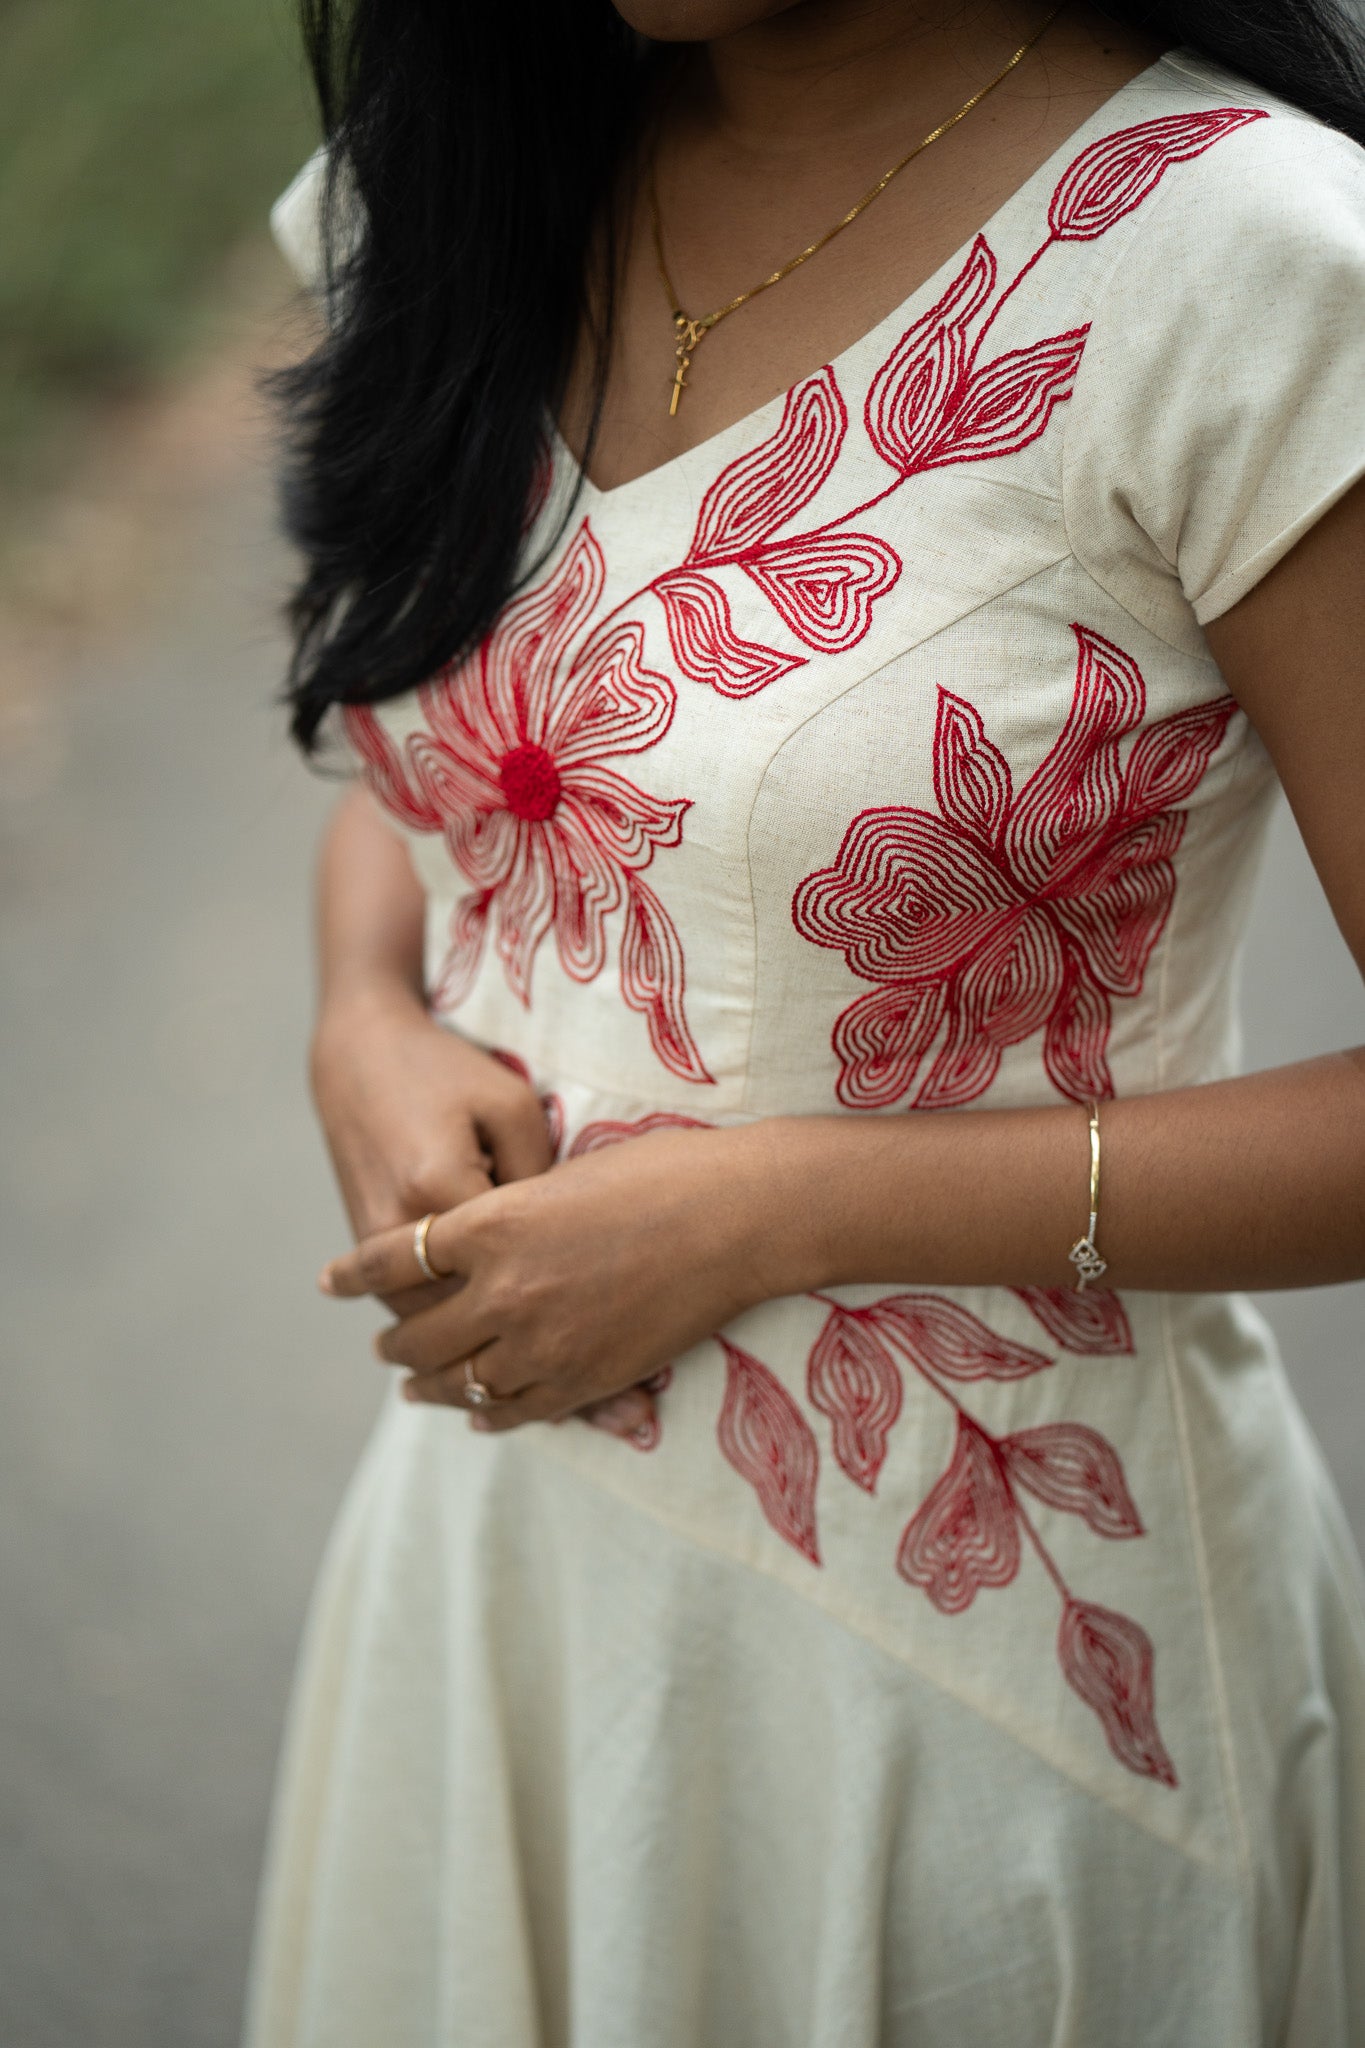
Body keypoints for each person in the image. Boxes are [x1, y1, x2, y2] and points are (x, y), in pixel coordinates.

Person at [244, 1, 1365, 2041]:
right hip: (502, 1594)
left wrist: (771, 1213)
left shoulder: (1251, 268)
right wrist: (359, 1009)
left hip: (995, 1711)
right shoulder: (481, 172)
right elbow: (448, 747)